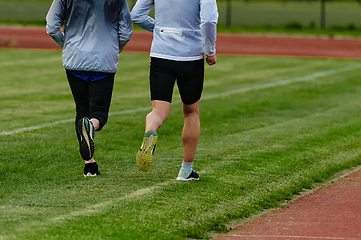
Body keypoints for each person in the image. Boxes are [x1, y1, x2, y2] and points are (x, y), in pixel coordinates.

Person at [130, 0, 218, 180]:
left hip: (161, 53)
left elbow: (136, 15)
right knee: (191, 112)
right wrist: (210, 51)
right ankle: (186, 171)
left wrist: (160, 29)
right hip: (190, 56)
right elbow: (208, 21)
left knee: (158, 110)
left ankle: (150, 131)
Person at [46, 0, 132, 176]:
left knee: (82, 110)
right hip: (104, 60)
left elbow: (51, 26)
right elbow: (125, 31)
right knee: (99, 114)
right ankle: (92, 127)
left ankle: (89, 165)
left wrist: (68, 44)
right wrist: (114, 49)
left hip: (75, 60)